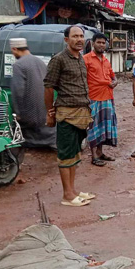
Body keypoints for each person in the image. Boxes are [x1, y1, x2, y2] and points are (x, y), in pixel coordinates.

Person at [44, 25, 95, 207]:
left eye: (81, 36)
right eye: (75, 36)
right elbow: (49, 87)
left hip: (81, 114)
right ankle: (67, 196)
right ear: (66, 40)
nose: (79, 39)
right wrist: (50, 113)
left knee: (75, 153)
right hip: (66, 114)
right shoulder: (58, 60)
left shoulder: (80, 58)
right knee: (66, 154)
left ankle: (73, 191)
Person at [9, 38, 56, 149]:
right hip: (43, 107)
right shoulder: (40, 62)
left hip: (29, 110)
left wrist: (17, 112)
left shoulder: (19, 65)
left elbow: (18, 90)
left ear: (15, 49)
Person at [83, 32, 118, 167]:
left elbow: (113, 76)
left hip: (108, 97)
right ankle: (93, 156)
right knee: (93, 127)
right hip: (93, 98)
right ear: (93, 43)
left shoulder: (106, 60)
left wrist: (115, 82)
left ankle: (100, 152)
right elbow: (82, 80)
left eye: (103, 43)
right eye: (99, 42)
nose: (101, 45)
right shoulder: (86, 59)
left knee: (104, 127)